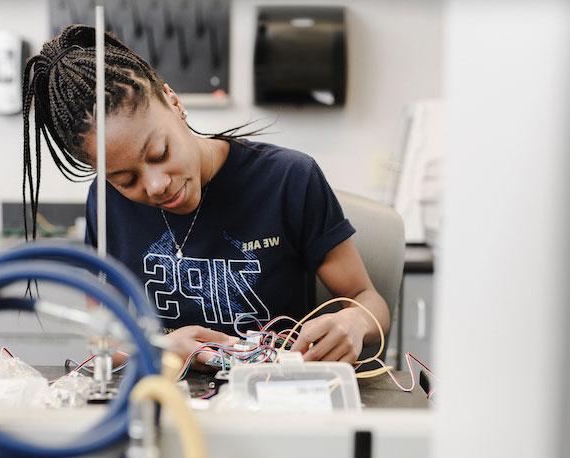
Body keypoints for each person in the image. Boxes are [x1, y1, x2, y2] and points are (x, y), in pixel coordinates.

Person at [22, 25, 390, 365]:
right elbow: (104, 341)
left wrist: (354, 322)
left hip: (274, 395)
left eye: (160, 153)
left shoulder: (289, 180)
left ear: (173, 101)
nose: (155, 185)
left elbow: (369, 300)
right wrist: (160, 347)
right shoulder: (105, 202)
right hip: (168, 402)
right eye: (125, 178)